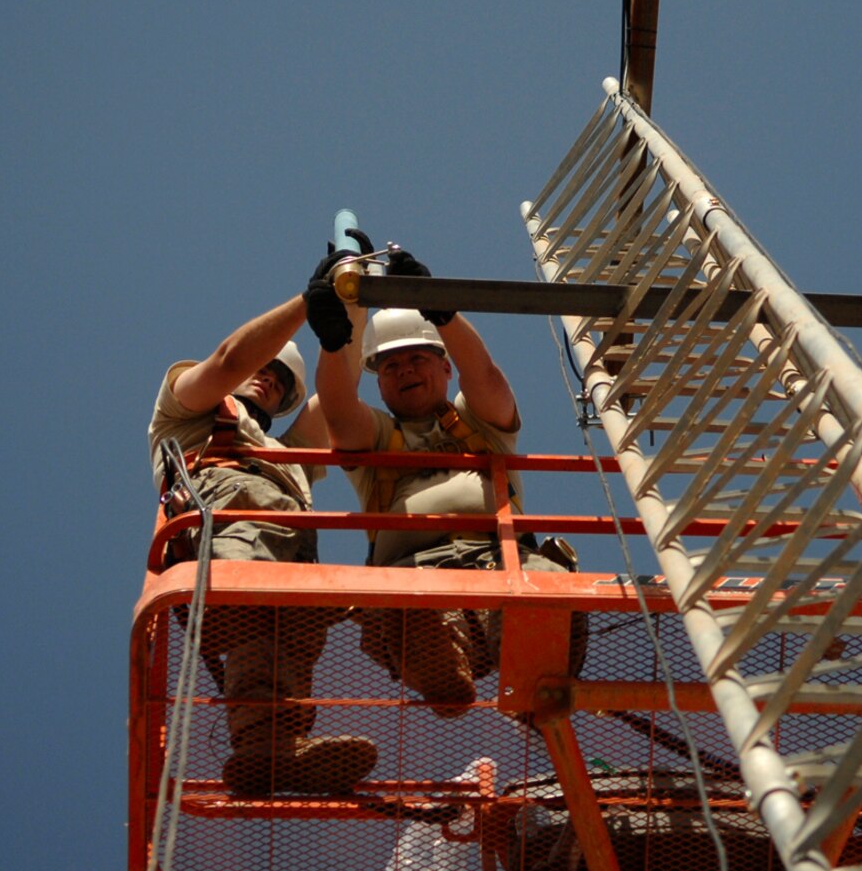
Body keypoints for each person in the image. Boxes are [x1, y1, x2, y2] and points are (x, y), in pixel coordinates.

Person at [303, 243, 577, 717]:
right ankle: (441, 663)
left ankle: (529, 662)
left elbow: (486, 377)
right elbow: (338, 411)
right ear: (379, 383)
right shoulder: (378, 439)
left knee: (541, 587)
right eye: (389, 366)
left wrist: (442, 310)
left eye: (417, 359)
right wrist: (334, 342)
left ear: (444, 367)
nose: (403, 370)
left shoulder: (479, 422)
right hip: (417, 573)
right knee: (419, 609)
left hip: (502, 567)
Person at [149, 293, 373, 796]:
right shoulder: (185, 411)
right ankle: (264, 747)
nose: (269, 376)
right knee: (256, 621)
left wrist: (353, 297)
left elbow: (342, 377)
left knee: (286, 649)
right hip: (226, 541)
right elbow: (231, 359)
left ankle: (272, 754)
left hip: (291, 557)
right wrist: (307, 302)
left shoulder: (289, 455)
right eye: (266, 365)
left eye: (282, 379)